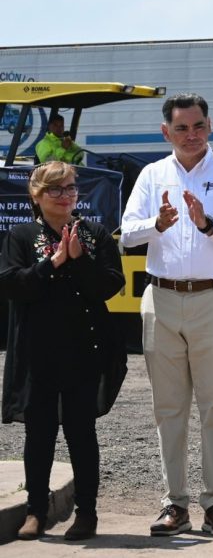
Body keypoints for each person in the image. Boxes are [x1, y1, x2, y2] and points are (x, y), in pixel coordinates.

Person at [120, 93, 213, 537]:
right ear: (166, 132)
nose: (191, 135)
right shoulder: (151, 174)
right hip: (161, 299)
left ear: (209, 127)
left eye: (198, 126)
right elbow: (127, 235)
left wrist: (208, 226)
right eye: (181, 128)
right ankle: (174, 504)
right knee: (169, 408)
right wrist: (157, 225)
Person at [0, 162, 126, 541]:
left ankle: (87, 513)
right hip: (38, 352)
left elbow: (109, 285)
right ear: (37, 195)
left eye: (71, 187)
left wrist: (79, 258)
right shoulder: (21, 235)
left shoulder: (93, 233)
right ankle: (35, 510)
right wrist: (52, 263)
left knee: (81, 433)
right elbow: (11, 284)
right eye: (56, 189)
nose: (66, 195)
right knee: (39, 435)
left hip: (84, 350)